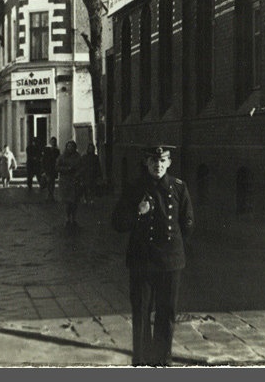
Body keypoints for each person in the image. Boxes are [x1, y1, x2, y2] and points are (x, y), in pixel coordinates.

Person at [111, 145, 195, 367]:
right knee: (141, 312)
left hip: (170, 261)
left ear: (168, 163)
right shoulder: (134, 188)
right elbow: (117, 223)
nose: (158, 165)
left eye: (162, 161)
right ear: (146, 163)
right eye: (153, 161)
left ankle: (162, 359)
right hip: (142, 261)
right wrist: (137, 211)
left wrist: (174, 248)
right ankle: (141, 360)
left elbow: (187, 223)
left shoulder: (179, 187)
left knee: (166, 312)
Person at [55, 140, 81, 226]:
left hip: (75, 181)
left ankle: (74, 218)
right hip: (65, 181)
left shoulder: (77, 157)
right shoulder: (62, 157)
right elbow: (57, 167)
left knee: (74, 202)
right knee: (67, 202)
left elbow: (81, 167)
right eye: (69, 146)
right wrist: (67, 169)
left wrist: (78, 174)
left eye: (72, 146)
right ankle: (67, 218)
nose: (70, 148)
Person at [41, 137, 60, 201]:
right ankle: (49, 195)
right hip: (48, 168)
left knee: (52, 182)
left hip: (53, 168)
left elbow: (58, 159)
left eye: (54, 142)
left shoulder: (57, 151)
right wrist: (43, 169)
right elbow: (44, 159)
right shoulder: (46, 150)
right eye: (52, 141)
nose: (53, 143)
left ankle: (51, 195)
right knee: (49, 182)